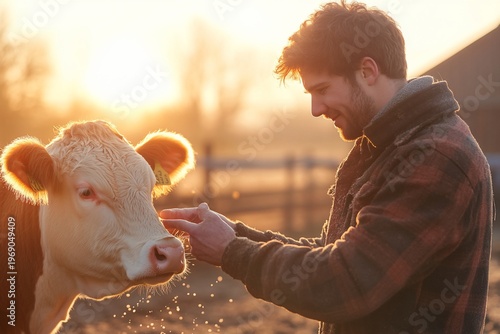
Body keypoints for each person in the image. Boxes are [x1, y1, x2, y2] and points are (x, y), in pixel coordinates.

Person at [161, 1, 493, 333]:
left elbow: (346, 281)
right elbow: (333, 254)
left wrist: (232, 251)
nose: (315, 109)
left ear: (367, 71)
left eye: (322, 90)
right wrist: (236, 234)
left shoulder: (437, 156)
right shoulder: (385, 146)